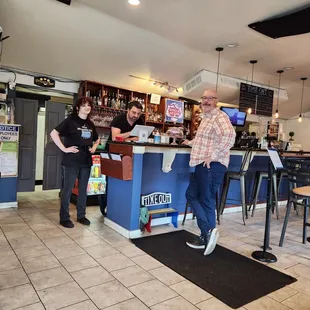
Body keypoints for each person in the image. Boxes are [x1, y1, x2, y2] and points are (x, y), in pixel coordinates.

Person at [183, 89, 236, 255]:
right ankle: (207, 233)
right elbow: (205, 141)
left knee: (206, 200)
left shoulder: (219, 116)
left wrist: (213, 156)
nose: (206, 101)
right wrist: (189, 142)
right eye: (204, 98)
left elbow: (230, 136)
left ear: (216, 101)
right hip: (201, 163)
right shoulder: (206, 118)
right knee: (191, 195)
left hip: (212, 165)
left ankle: (207, 234)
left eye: (209, 98)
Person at [50, 97, 99, 228]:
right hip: (71, 160)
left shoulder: (90, 124)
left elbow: (97, 139)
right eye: (84, 105)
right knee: (67, 190)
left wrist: (94, 147)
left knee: (83, 190)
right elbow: (54, 133)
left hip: (86, 160)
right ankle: (64, 218)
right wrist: (64, 149)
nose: (87, 107)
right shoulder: (70, 121)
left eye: (89, 105)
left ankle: (81, 216)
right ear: (78, 107)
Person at [100, 101, 144, 216]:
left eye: (138, 113)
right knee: (111, 182)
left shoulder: (140, 121)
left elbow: (140, 137)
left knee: (125, 183)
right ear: (128, 110)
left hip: (128, 155)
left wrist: (125, 138)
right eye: (134, 112)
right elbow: (115, 138)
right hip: (112, 154)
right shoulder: (118, 119)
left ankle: (118, 209)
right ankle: (105, 208)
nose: (136, 116)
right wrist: (131, 134)